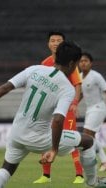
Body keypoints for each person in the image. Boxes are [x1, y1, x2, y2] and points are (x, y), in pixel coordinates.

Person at [0, 41, 106, 188]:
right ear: (72, 63)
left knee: (7, 168)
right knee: (88, 141)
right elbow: (58, 119)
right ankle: (93, 183)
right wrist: (53, 149)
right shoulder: (67, 88)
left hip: (16, 133)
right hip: (41, 138)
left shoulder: (34, 69)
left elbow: (3, 89)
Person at [33, 31, 84, 184]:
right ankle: (46, 175)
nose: (55, 43)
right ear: (48, 44)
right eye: (52, 40)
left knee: (71, 139)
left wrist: (75, 103)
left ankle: (79, 175)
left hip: (66, 108)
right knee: (44, 139)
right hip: (49, 108)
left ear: (63, 44)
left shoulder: (71, 63)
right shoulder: (44, 63)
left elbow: (77, 84)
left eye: (58, 40)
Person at [79, 52, 106, 172]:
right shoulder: (79, 76)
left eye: (85, 61)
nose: (83, 63)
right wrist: (74, 105)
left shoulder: (96, 76)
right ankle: (105, 161)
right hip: (89, 109)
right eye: (81, 61)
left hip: (98, 108)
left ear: (91, 63)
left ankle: (98, 161)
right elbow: (80, 94)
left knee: (86, 135)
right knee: (91, 136)